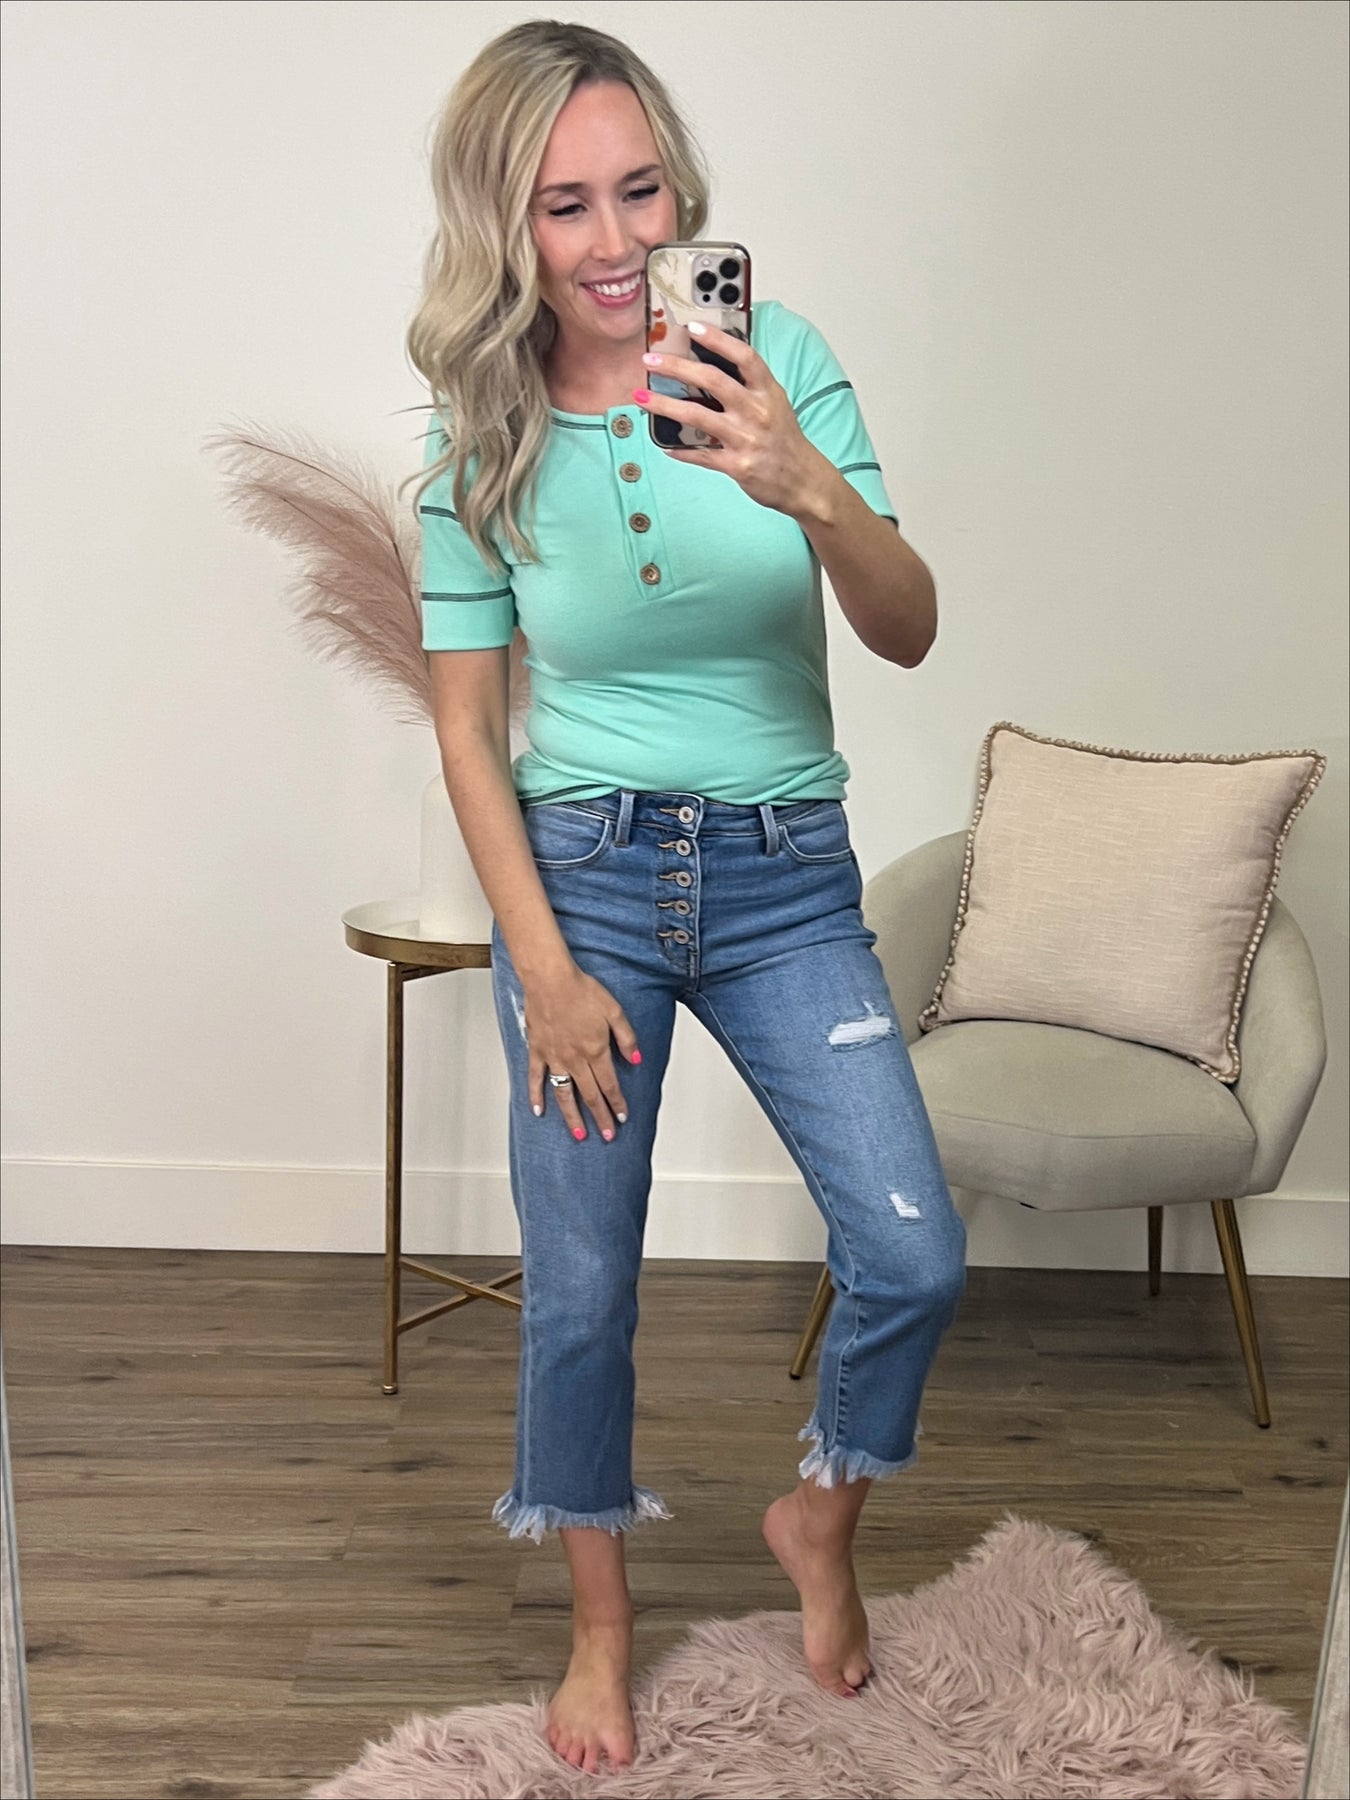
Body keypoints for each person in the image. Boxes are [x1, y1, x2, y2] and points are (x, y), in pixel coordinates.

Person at [403, 17, 968, 1778]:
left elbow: (907, 626)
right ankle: (599, 1625)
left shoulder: (775, 359)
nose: (614, 241)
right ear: (504, 223)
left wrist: (803, 484)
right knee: (581, 1290)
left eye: (640, 191)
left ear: (682, 190)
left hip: (784, 874)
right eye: (564, 204)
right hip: (581, 878)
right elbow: (467, 731)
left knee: (912, 1251)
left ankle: (820, 1518)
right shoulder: (478, 436)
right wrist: (542, 968)